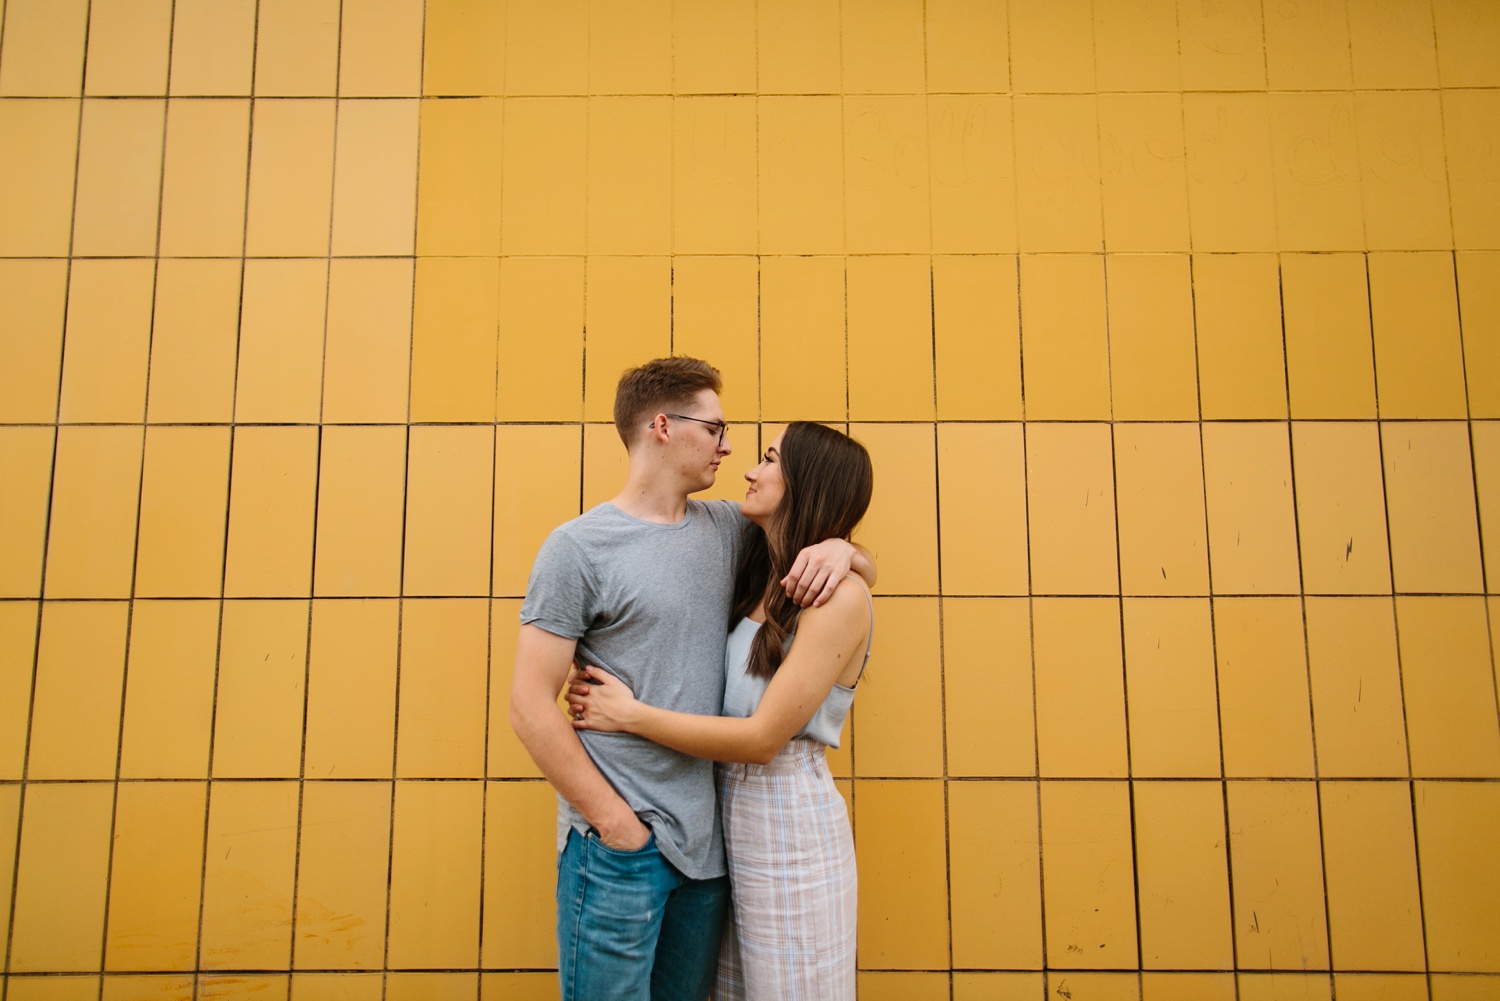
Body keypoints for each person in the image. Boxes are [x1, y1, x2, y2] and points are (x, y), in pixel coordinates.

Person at [509, 358, 873, 1001]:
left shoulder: (728, 531)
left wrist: (848, 551)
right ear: (662, 427)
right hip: (621, 848)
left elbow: (814, 539)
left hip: (708, 857)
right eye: (715, 428)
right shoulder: (578, 548)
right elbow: (529, 706)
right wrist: (616, 826)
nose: (730, 449)